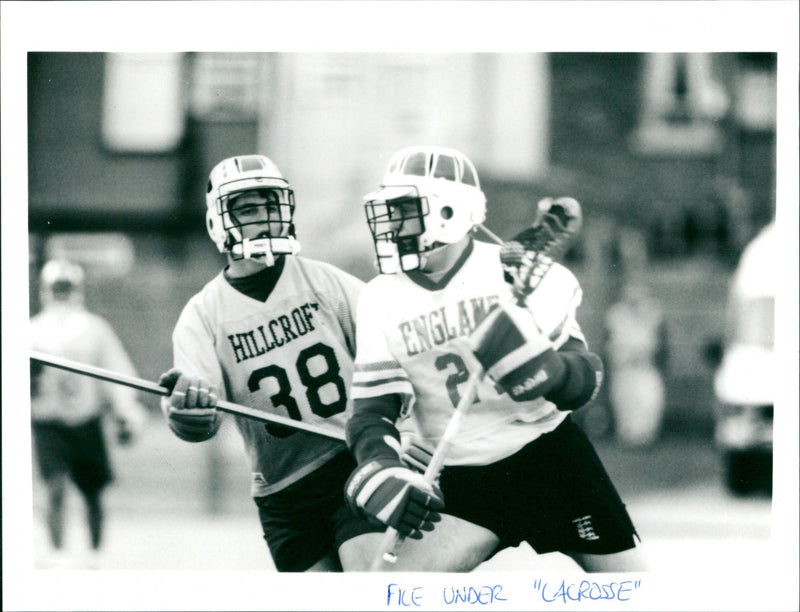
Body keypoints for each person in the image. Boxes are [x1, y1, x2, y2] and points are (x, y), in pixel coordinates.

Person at [157, 154, 499, 572]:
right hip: (282, 494)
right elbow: (199, 415)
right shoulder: (202, 315)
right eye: (247, 209)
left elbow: (399, 348)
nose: (263, 219)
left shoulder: (327, 283)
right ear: (219, 221)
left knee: (368, 581)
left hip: (352, 466)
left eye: (270, 205)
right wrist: (185, 409)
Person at [344, 145, 648, 572]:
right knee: (393, 589)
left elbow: (587, 377)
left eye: (405, 211)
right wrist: (380, 463)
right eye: (389, 211)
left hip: (547, 456)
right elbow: (372, 411)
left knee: (633, 590)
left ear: (450, 211)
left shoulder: (515, 272)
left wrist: (552, 373)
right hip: (456, 474)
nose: (392, 225)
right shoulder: (380, 296)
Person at [30, 258, 147, 568]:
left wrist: (125, 410)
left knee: (92, 490)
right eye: (57, 287)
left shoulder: (94, 329)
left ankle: (95, 553)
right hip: (47, 421)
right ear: (45, 289)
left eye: (66, 287)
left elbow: (115, 371)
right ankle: (58, 554)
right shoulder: (32, 332)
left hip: (86, 419)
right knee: (54, 487)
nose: (62, 293)